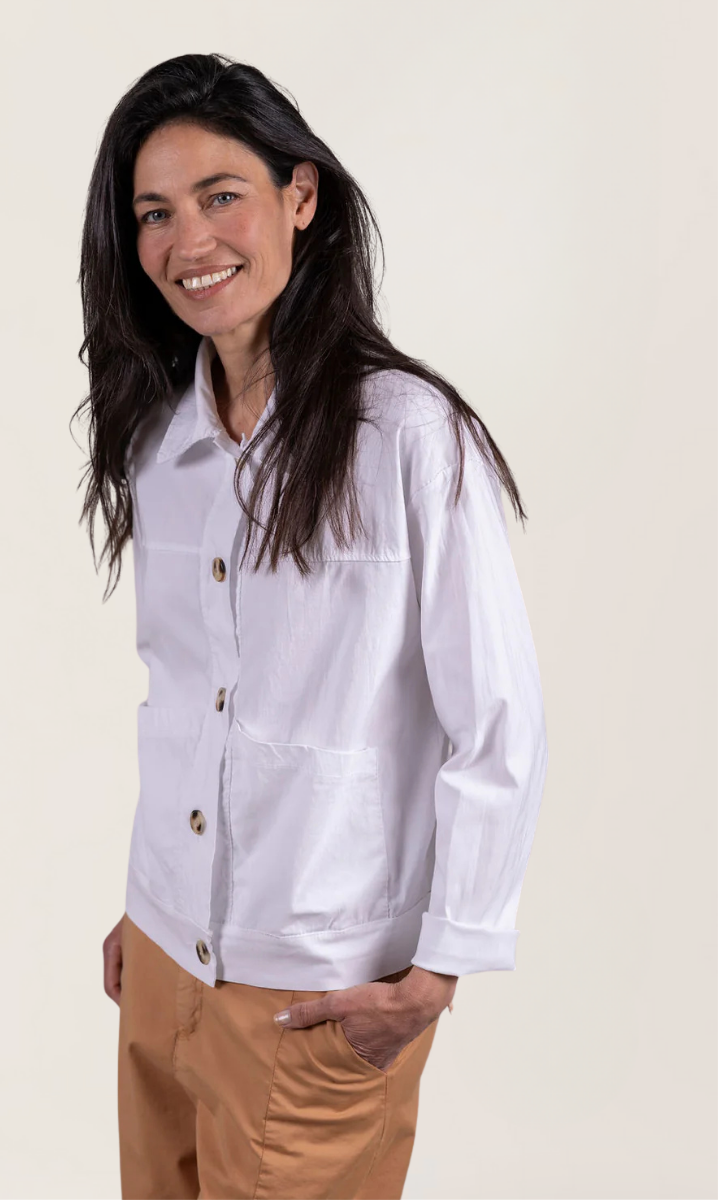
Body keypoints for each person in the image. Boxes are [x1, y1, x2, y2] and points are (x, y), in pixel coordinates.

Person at [74, 52, 549, 1200]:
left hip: (315, 997)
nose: (187, 240)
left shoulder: (407, 437)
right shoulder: (162, 446)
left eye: (220, 195)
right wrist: (157, 904)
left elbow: (496, 718)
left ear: (299, 196)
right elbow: (188, 699)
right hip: (163, 968)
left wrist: (435, 970)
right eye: (153, 212)